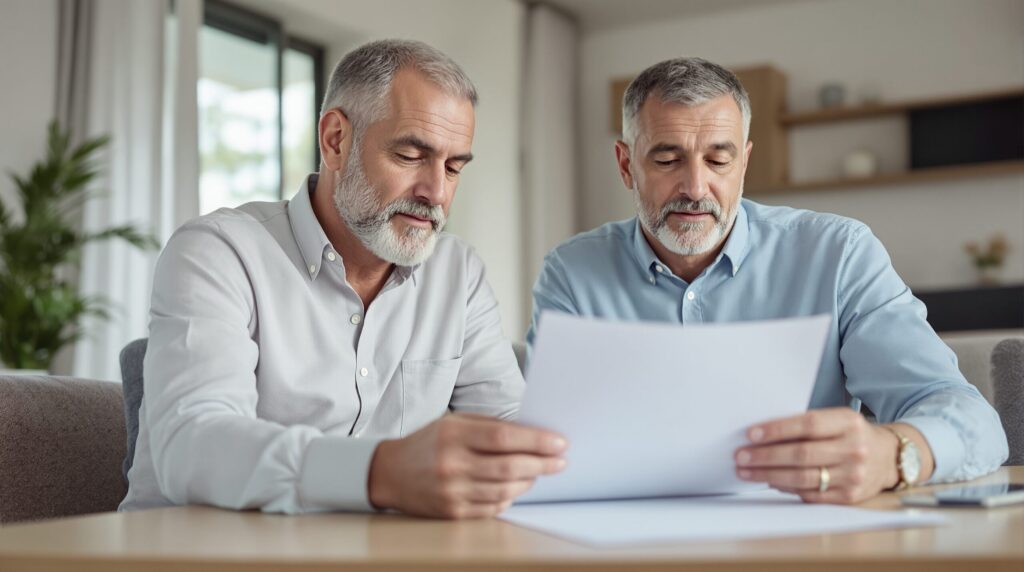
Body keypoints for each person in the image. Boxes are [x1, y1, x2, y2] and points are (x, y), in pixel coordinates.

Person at [527, 57, 1007, 504]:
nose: (696, 188)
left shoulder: (838, 255)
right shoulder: (571, 274)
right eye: (668, 160)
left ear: (745, 163)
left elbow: (973, 421)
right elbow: (540, 444)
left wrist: (895, 454)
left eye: (718, 160)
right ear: (626, 164)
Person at [121, 40, 566, 519]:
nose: (436, 192)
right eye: (411, 155)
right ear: (336, 140)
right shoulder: (217, 251)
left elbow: (511, 431)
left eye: (454, 167)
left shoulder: (458, 274)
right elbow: (192, 445)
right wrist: (382, 471)